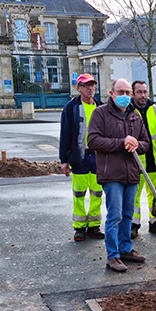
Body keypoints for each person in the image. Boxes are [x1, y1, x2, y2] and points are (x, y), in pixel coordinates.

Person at [86, 79, 151, 273]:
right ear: (112, 93)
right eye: (120, 92)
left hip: (131, 174)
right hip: (111, 174)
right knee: (114, 215)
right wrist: (122, 142)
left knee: (127, 215)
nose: (125, 96)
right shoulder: (101, 113)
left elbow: (146, 143)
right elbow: (93, 141)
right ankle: (112, 256)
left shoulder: (135, 116)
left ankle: (125, 249)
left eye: (128, 92)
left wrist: (137, 145)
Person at [59, 73, 104, 241]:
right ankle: (79, 228)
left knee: (97, 193)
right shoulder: (71, 108)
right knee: (79, 194)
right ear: (78, 88)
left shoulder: (101, 107)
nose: (90, 88)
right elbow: (65, 134)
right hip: (80, 157)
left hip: (98, 157)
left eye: (92, 84)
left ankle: (93, 226)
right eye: (85, 85)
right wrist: (64, 160)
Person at [129, 80, 156, 238]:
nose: (143, 95)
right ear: (133, 93)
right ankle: (133, 225)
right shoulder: (128, 110)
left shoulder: (155, 110)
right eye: (139, 92)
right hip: (135, 162)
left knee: (155, 194)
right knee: (133, 196)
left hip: (153, 160)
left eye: (145, 92)